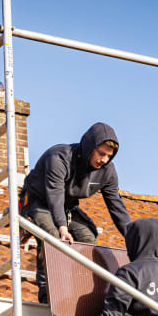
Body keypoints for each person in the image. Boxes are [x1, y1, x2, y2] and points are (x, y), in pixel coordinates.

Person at [21, 122, 132, 303]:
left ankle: (81, 291)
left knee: (88, 239)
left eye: (108, 156)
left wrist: (135, 240)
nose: (104, 160)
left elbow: (116, 207)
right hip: (37, 200)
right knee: (52, 235)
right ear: (90, 147)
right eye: (101, 153)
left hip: (67, 206)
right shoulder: (59, 157)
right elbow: (55, 193)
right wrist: (63, 228)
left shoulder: (108, 172)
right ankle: (46, 292)